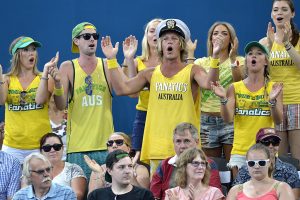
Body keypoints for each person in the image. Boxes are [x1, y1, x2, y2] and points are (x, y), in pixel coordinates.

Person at [101, 18, 221, 175]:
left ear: (181, 45)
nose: (169, 42)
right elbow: (122, 89)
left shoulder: (193, 70)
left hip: (187, 149)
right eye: (165, 39)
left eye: (174, 39)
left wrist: (215, 57)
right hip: (158, 147)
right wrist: (111, 60)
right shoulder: (149, 74)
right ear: (160, 45)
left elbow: (210, 83)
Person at [212, 41, 283, 178]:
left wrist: (272, 101)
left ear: (266, 61)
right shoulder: (235, 87)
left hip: (267, 149)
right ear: (246, 60)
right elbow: (227, 118)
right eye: (250, 54)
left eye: (258, 53)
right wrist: (222, 99)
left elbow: (278, 120)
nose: (253, 56)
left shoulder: (274, 87)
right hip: (241, 151)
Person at [57, 22, 115, 180]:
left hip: (106, 146)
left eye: (95, 36)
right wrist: (56, 84)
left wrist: (114, 60)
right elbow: (61, 105)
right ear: (76, 41)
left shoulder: (106, 64)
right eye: (87, 36)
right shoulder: (68, 67)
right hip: (78, 148)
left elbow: (122, 89)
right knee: (80, 195)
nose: (92, 40)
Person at [187, 21, 245, 162]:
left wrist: (232, 59)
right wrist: (190, 53)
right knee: (212, 167)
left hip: (231, 119)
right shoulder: (201, 62)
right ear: (211, 39)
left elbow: (240, 84)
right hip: (207, 121)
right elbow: (187, 80)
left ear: (231, 40)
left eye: (225, 33)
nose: (219, 36)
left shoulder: (240, 60)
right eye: (216, 33)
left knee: (233, 165)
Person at [0, 36, 63, 164]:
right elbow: (1, 101)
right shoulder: (6, 79)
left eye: (33, 49)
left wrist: (53, 79)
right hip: (12, 147)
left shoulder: (44, 77)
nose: (31, 53)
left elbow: (41, 101)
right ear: (17, 54)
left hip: (40, 146)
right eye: (26, 50)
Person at [259, 0, 300, 162]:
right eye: (276, 10)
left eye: (284, 9)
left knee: (297, 159)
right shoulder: (265, 42)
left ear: (293, 13)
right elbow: (258, 73)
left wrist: (287, 44)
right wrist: (268, 47)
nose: (279, 13)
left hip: (297, 101)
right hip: (275, 103)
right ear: (271, 14)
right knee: (279, 158)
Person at [123, 18, 162, 165]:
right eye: (152, 31)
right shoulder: (136, 61)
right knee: (138, 158)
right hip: (143, 114)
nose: (155, 35)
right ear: (146, 35)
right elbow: (133, 93)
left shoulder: (171, 61)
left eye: (159, 31)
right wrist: (129, 58)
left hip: (165, 113)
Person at [151, 122, 222, 200]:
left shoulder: (208, 164)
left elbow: (213, 195)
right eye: (178, 141)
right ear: (173, 143)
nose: (182, 146)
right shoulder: (164, 165)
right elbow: (154, 197)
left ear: (197, 142)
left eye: (186, 141)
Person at [233, 127, 300, 199]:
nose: (271, 146)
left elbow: (295, 197)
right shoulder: (245, 169)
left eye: (275, 142)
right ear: (257, 144)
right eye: (266, 142)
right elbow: (236, 194)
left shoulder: (289, 169)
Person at [85, 132, 150, 193]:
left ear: (128, 149)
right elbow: (93, 197)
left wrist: (129, 169)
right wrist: (100, 174)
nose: (114, 145)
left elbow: (143, 196)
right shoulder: (99, 169)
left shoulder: (140, 169)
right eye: (110, 143)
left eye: (119, 142)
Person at [227, 143, 295, 200]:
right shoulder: (235, 191)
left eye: (261, 162)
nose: (256, 166)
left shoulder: (282, 188)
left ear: (269, 163)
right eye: (252, 163)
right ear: (247, 164)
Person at [87, 149, 154, 200]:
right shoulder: (96, 196)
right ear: (109, 171)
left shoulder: (145, 195)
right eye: (121, 167)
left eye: (130, 166)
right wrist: (100, 174)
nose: (127, 171)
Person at [39, 133, 87, 200]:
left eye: (56, 147)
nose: (52, 150)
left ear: (62, 148)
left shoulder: (74, 169)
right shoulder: (31, 170)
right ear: (41, 151)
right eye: (47, 148)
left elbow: (77, 195)